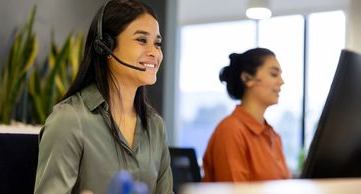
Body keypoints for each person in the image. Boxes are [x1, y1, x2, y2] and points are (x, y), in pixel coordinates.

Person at [33, 0, 173, 193]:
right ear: (105, 46)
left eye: (157, 44)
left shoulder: (155, 127)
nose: (154, 53)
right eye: (142, 40)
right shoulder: (69, 120)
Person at [202, 48, 291, 182]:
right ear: (247, 78)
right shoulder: (230, 131)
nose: (281, 81)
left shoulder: (274, 137)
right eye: (274, 74)